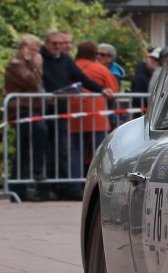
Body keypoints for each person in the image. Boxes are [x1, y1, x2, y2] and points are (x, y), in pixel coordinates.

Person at [40, 30, 113, 199]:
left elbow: (82, 78)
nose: (58, 47)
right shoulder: (40, 59)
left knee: (64, 150)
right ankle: (46, 189)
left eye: (61, 43)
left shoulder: (66, 60)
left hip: (63, 112)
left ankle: (65, 188)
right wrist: (44, 96)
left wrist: (101, 89)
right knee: (49, 151)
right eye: (55, 44)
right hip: (44, 110)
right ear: (47, 44)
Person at [4, 34, 47, 200]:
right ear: (24, 49)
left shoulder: (26, 64)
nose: (37, 55)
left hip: (31, 109)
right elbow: (31, 81)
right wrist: (38, 66)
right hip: (21, 109)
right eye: (34, 50)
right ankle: (28, 178)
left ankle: (21, 189)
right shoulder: (16, 65)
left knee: (25, 148)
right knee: (33, 137)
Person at [73, 41, 118, 173]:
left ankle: (74, 182)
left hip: (73, 117)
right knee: (99, 153)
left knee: (75, 152)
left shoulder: (72, 67)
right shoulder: (100, 69)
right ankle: (98, 180)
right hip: (97, 119)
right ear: (94, 54)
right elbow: (113, 90)